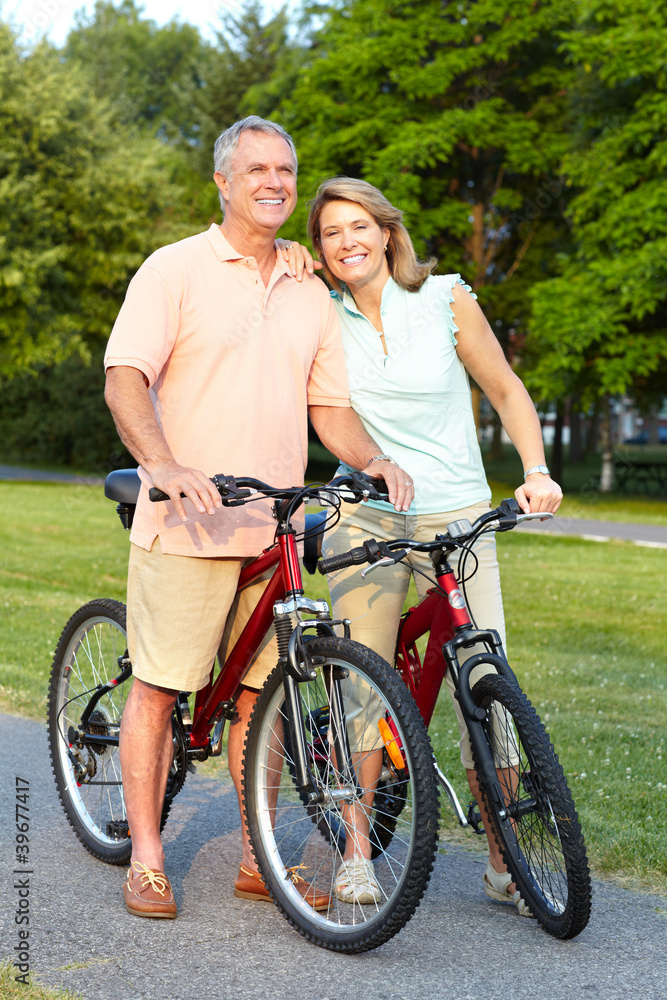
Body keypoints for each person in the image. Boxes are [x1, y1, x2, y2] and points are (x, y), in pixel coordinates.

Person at [103, 120, 413, 920]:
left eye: (285, 169)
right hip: (187, 525)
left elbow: (329, 407)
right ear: (223, 181)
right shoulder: (174, 268)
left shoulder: (310, 287)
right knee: (161, 691)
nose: (273, 181)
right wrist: (162, 465)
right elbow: (126, 377)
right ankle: (145, 858)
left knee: (259, 699)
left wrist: (371, 458)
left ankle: (257, 857)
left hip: (271, 533)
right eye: (256, 169)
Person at [299, 176, 562, 913]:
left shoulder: (445, 296)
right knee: (363, 677)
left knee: (487, 681)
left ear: (387, 232)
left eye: (359, 227)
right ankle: (355, 852)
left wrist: (535, 472)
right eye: (329, 233)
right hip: (370, 513)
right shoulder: (318, 313)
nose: (347, 242)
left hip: (456, 514)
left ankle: (504, 860)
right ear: (319, 251)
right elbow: (325, 409)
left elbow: (506, 389)